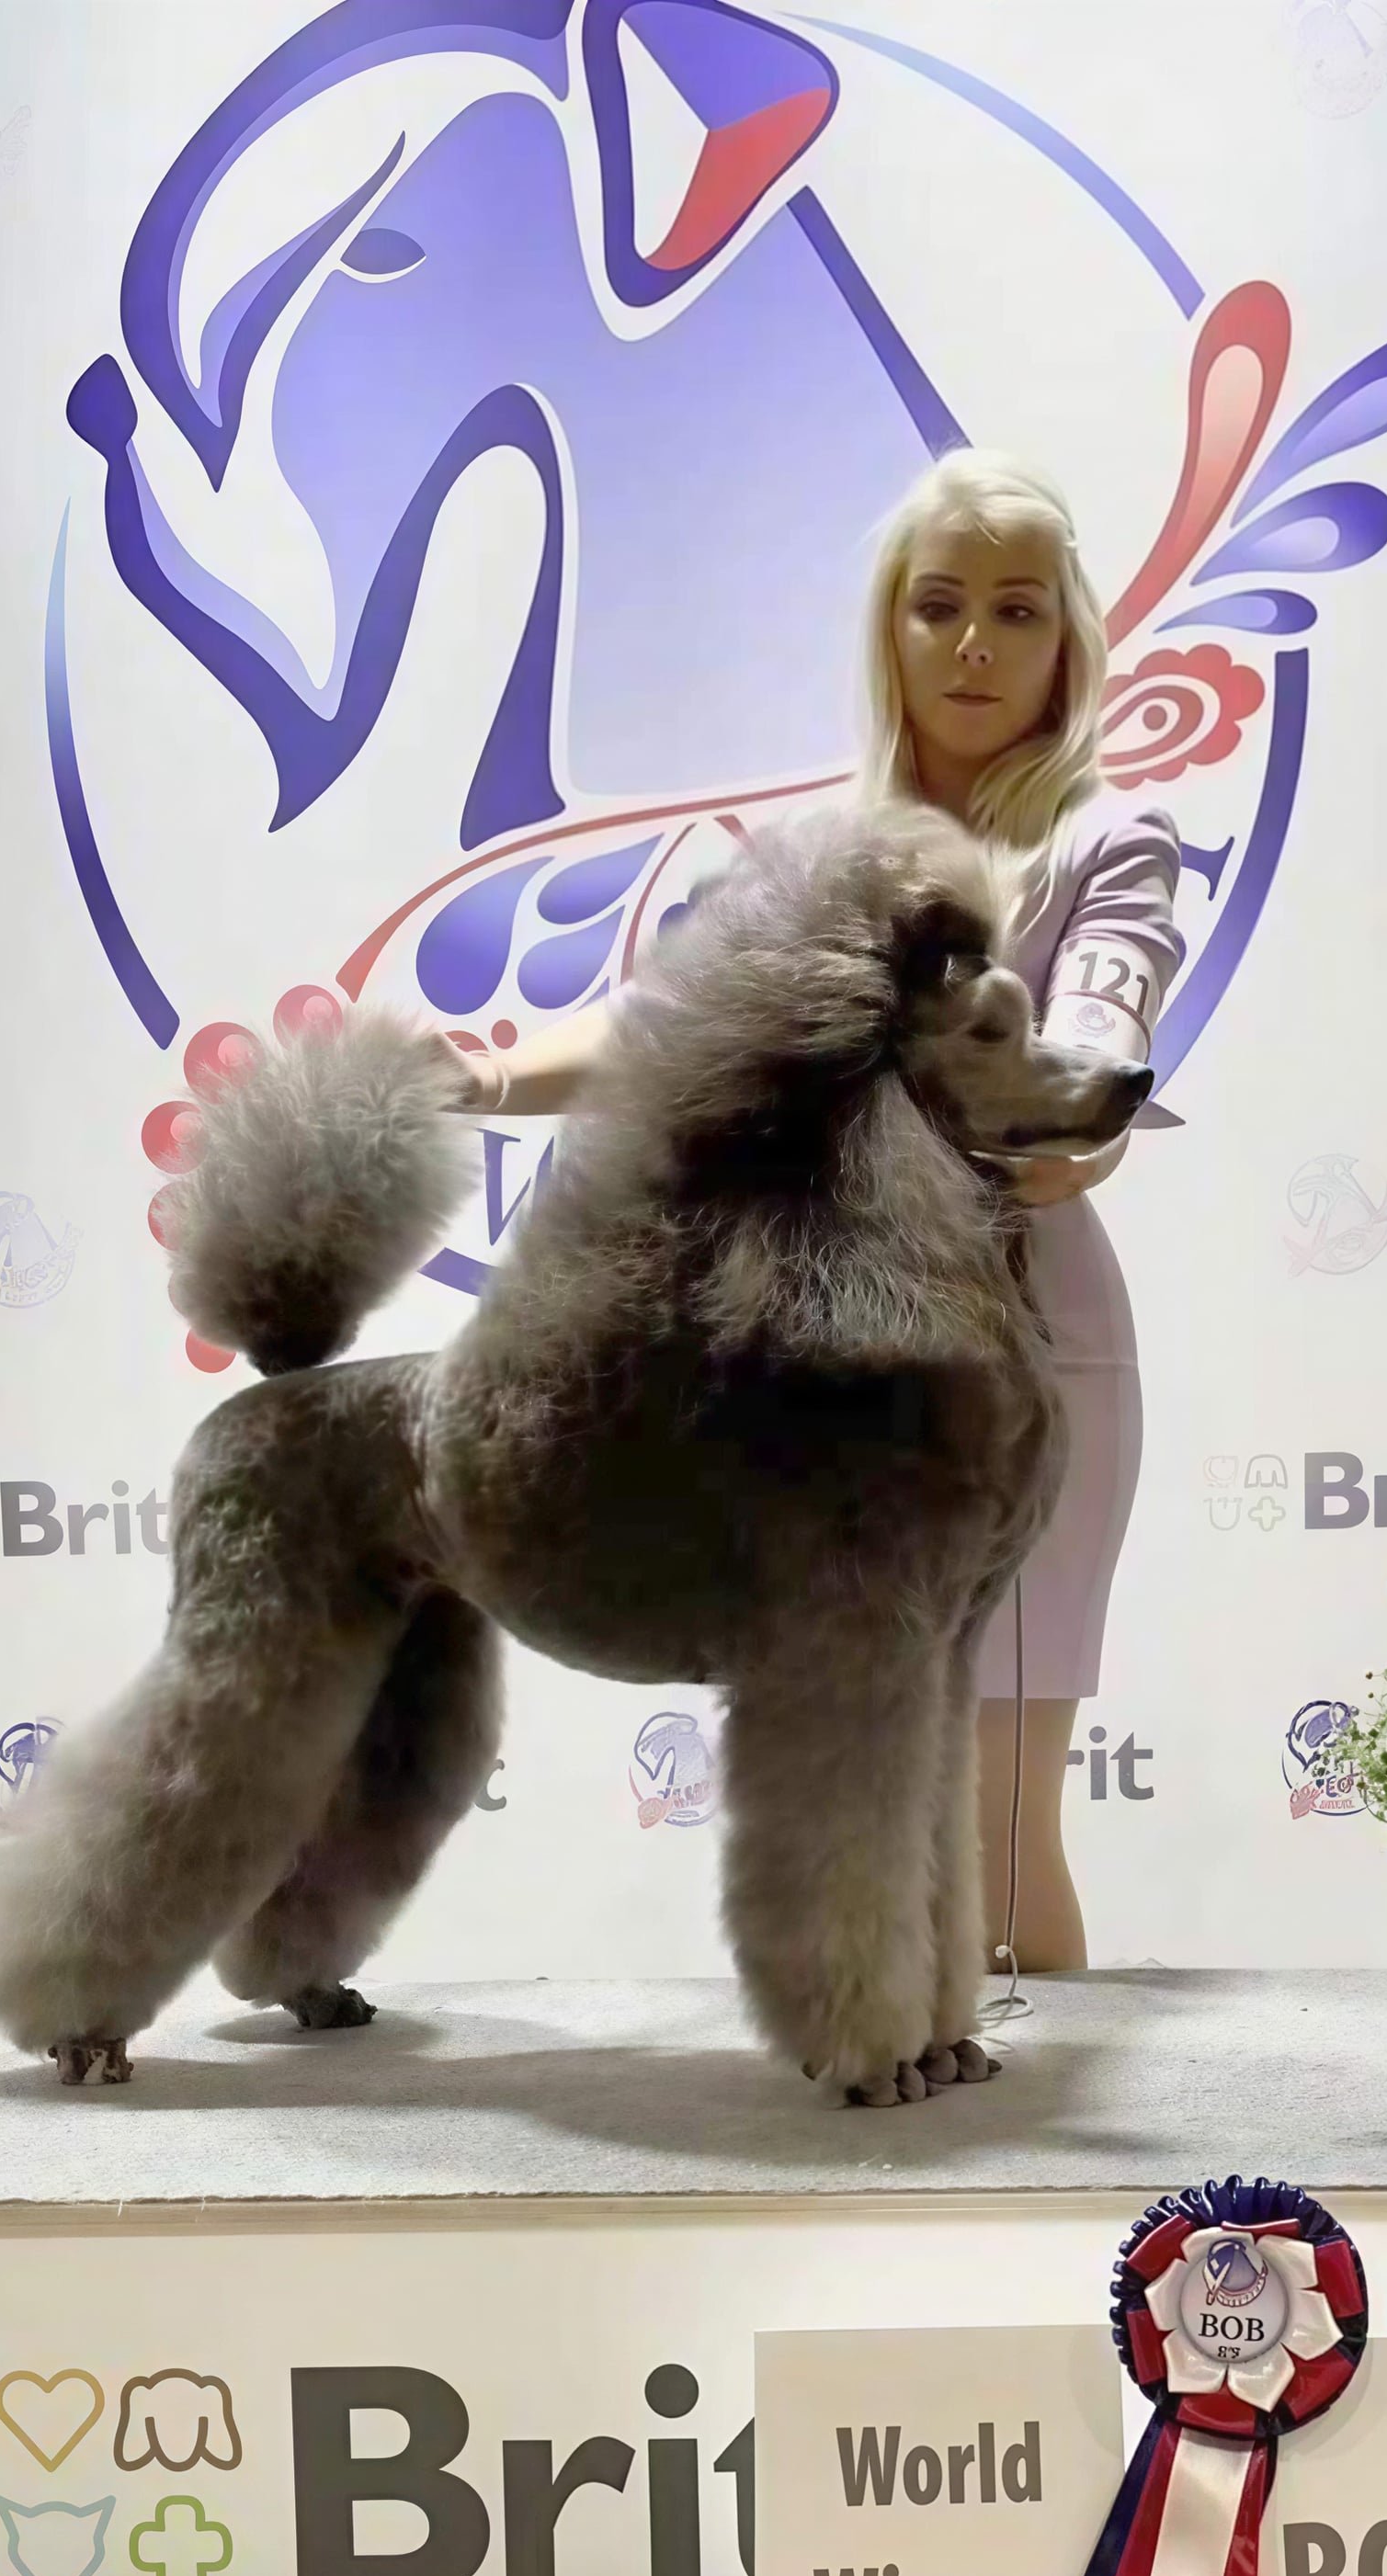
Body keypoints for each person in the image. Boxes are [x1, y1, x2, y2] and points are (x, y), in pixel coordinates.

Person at [450, 452, 1183, 1973]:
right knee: (863, 1778)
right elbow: (659, 1025)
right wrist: (476, 1068)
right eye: (939, 607)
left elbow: (1100, 1034)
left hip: (1028, 1357)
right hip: (817, 1371)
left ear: (1067, 642)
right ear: (889, 632)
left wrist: (1072, 1117)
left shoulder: (1111, 844)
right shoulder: (802, 863)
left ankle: (1024, 2178)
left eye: (1013, 610)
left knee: (992, 1828)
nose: (974, 643)